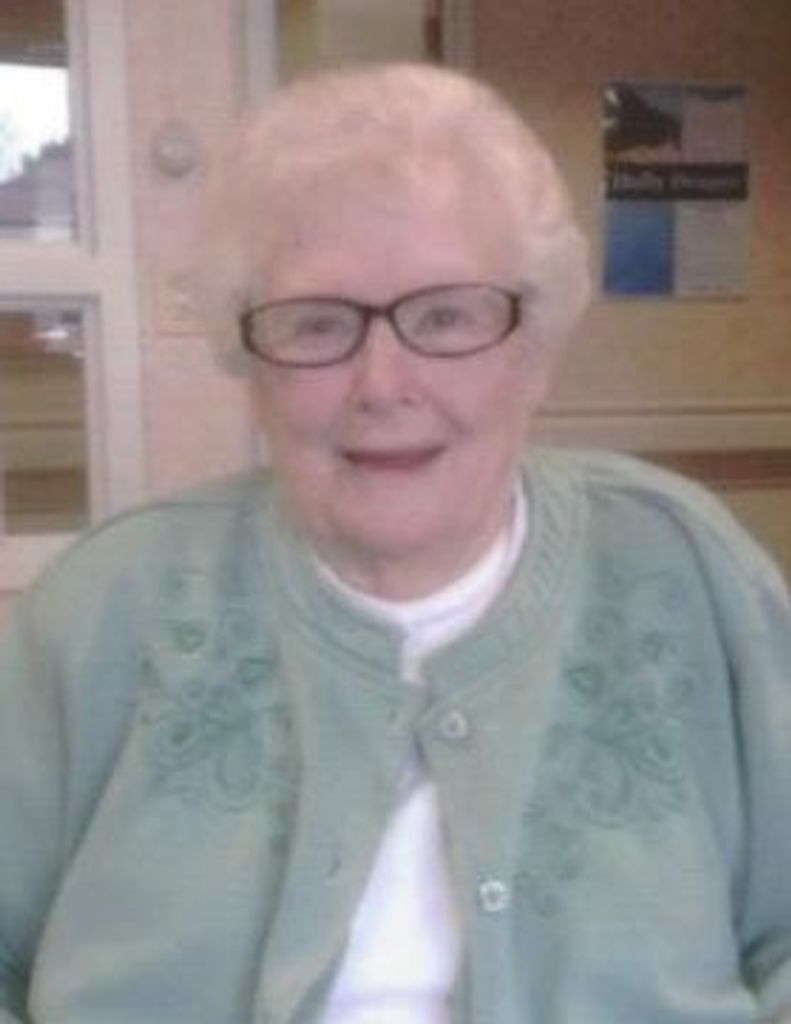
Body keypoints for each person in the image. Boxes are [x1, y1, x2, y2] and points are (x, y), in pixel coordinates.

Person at [1, 62, 790, 1024]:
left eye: (445, 315)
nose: (382, 383)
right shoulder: (104, 606)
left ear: (533, 349)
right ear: (249, 364)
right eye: (318, 324)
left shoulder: (687, 571)